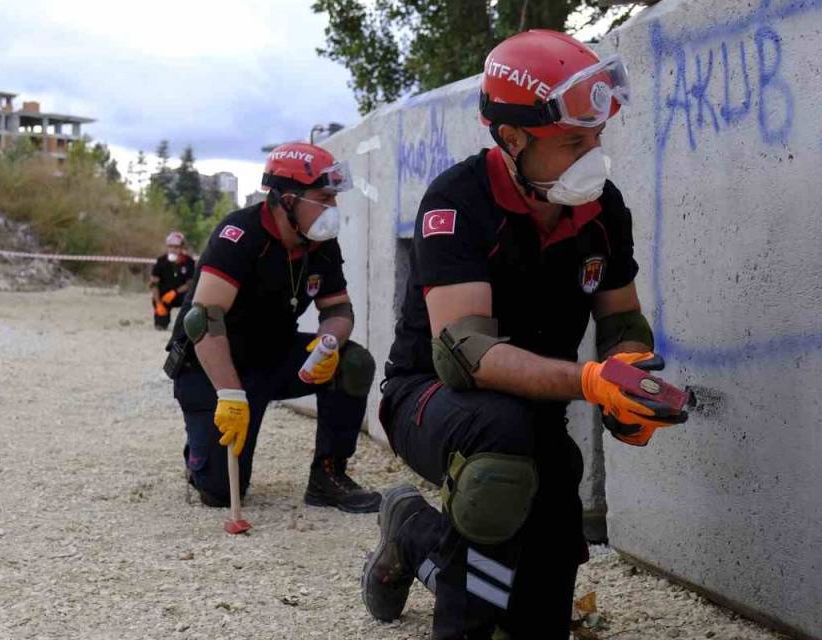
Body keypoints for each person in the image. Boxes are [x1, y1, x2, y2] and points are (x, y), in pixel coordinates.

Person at [361, 30, 690, 638]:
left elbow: (621, 321)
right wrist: (592, 381)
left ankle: (413, 533)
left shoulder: (604, 209)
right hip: (427, 398)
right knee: (500, 458)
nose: (594, 155)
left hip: (533, 413)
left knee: (537, 604)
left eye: (597, 137)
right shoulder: (457, 203)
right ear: (511, 138)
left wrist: (631, 376)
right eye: (572, 142)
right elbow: (466, 357)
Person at [164, 142, 381, 513]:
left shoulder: (321, 245)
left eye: (334, 199)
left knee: (354, 361)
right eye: (323, 198)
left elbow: (339, 308)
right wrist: (230, 395)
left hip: (271, 356)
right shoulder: (239, 235)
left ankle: (328, 477)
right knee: (221, 493)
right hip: (211, 366)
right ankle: (198, 456)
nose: (333, 209)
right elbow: (203, 320)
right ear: (286, 199)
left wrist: (329, 342)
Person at [150, 231, 195, 330]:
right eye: (170, 246)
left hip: (181, 294)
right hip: (164, 296)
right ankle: (161, 320)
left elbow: (190, 283)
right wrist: (158, 303)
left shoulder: (189, 262)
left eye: (176, 247)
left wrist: (175, 292)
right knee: (160, 325)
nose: (173, 249)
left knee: (191, 298)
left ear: (181, 247)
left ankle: (186, 325)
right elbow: (153, 284)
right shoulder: (161, 261)